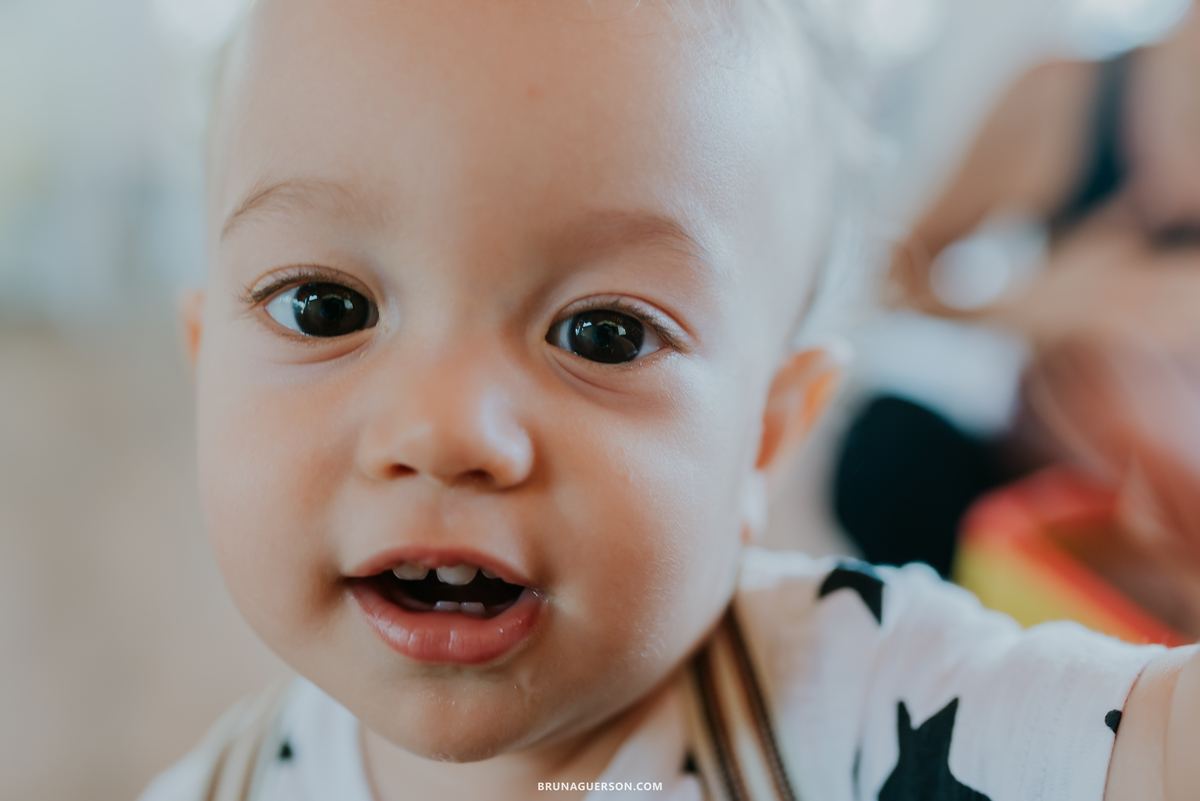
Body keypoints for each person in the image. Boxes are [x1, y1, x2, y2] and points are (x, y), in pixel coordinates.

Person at [141, 1, 1199, 799]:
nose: (445, 429)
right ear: (202, 358)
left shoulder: (871, 702)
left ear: (767, 435)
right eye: (326, 308)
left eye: (603, 335)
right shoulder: (221, 784)